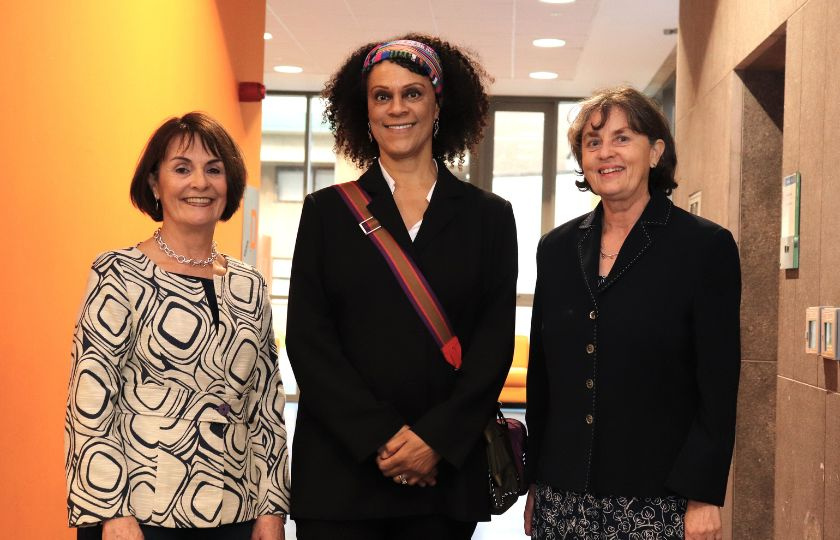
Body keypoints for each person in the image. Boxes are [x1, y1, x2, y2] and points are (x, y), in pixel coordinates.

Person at [285, 34, 518, 540]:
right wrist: (383, 439)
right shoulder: (326, 212)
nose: (397, 109)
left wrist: (433, 440)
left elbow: (492, 345)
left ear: (439, 103)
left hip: (443, 480)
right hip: (340, 476)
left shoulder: (489, 218)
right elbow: (308, 341)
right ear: (363, 111)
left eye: (412, 93)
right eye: (381, 96)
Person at [523, 86, 741, 540]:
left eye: (623, 138)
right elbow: (545, 378)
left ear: (656, 151)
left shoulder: (703, 247)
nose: (606, 153)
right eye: (593, 141)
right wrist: (535, 485)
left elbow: (718, 384)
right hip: (563, 495)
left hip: (659, 496)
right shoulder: (556, 248)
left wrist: (703, 495)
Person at [65, 112, 290, 540]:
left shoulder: (249, 284)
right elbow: (90, 403)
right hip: (140, 515)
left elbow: (265, 405)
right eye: (182, 169)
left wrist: (272, 507)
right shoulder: (119, 273)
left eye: (214, 170)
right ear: (155, 183)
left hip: (236, 512)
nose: (200, 183)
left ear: (230, 183)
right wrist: (110, 512)